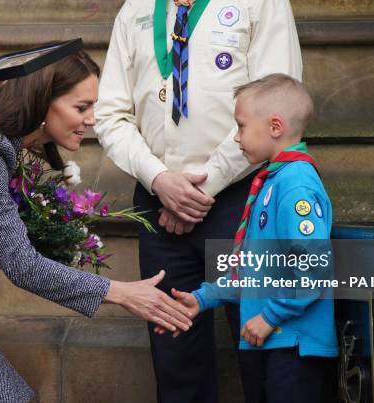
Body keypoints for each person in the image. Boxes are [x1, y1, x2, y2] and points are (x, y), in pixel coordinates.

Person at [0, 49, 193, 402]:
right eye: (81, 107)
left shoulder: (4, 145)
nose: (93, 120)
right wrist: (123, 293)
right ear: (42, 101)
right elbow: (22, 266)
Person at [94, 0, 302, 401]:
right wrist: (159, 179)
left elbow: (276, 103)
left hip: (243, 199)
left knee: (260, 345)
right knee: (175, 355)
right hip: (156, 202)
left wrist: (200, 190)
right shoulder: (135, 8)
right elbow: (110, 115)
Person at [158, 74, 339, 402]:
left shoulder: (295, 185)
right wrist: (202, 299)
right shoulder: (274, 180)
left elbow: (314, 269)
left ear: (274, 127)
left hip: (293, 344)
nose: (237, 137)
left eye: (241, 126)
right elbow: (257, 270)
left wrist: (270, 317)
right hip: (272, 340)